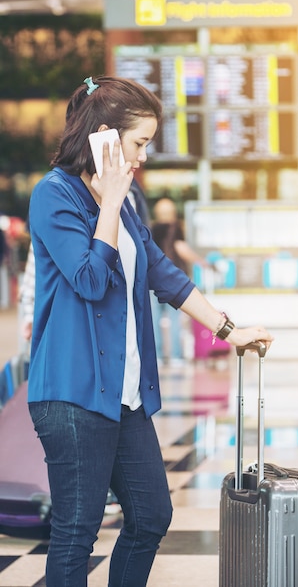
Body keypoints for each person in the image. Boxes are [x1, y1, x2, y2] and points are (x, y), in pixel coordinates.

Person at [27, 74, 273, 587]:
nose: (142, 156)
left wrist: (232, 331)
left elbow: (163, 274)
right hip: (73, 395)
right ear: (104, 137)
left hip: (126, 397)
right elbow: (91, 281)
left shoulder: (130, 201)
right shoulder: (55, 196)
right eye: (138, 143)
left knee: (151, 515)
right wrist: (110, 201)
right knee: (78, 530)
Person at [151, 197, 209, 363]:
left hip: (153, 279)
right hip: (172, 278)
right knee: (174, 318)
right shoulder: (175, 228)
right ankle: (176, 356)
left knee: (154, 320)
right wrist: (201, 261)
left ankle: (158, 356)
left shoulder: (152, 228)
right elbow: (180, 248)